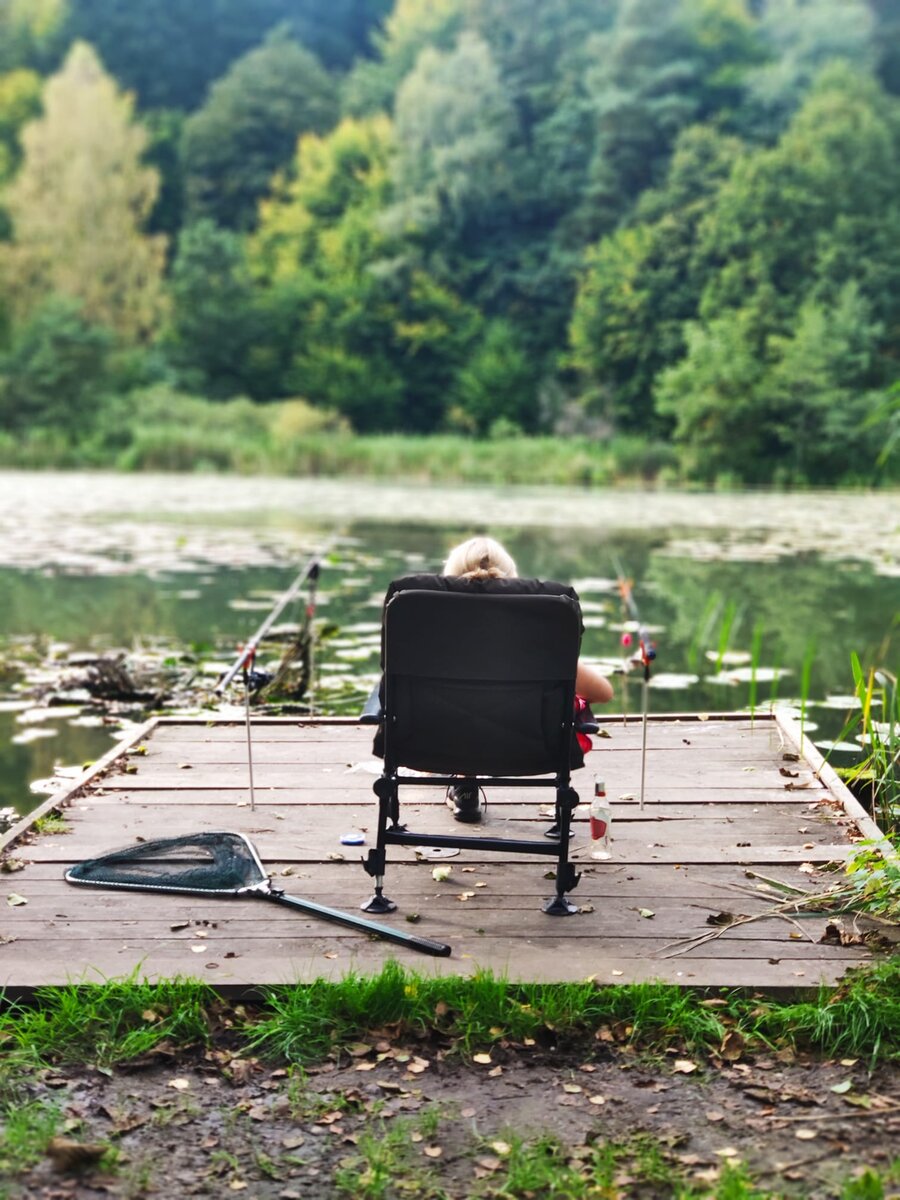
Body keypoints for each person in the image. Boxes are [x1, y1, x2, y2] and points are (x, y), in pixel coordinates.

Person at [440, 536, 613, 822]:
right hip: (529, 745)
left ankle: (464, 782)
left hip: (438, 744)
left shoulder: (427, 634)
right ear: (511, 581)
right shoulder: (537, 639)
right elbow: (604, 692)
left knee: (461, 710)